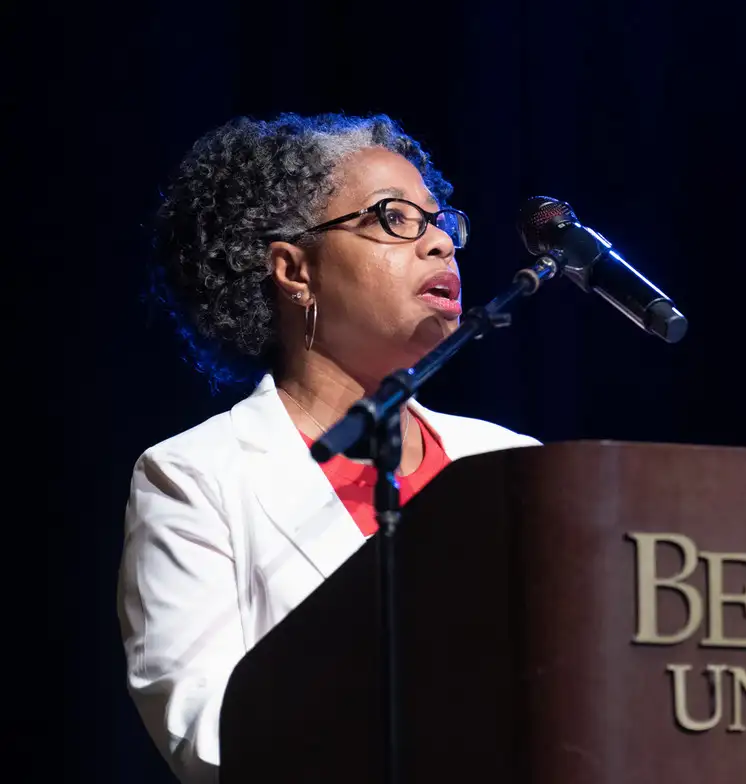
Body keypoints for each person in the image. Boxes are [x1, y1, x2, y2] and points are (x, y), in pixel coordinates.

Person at [118, 113, 540, 783]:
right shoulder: (195, 477)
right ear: (294, 270)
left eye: (441, 223)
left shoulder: (515, 465)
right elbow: (209, 737)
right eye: (395, 220)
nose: (439, 246)